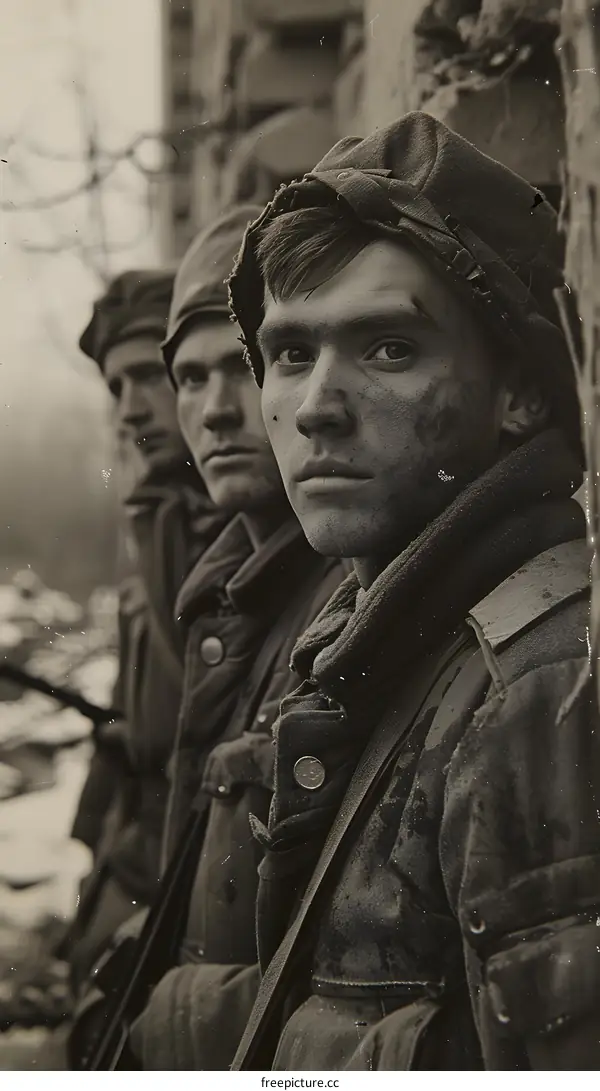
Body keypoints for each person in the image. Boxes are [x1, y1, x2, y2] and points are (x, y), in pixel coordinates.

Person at [226, 112, 598, 1071]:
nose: (314, 407)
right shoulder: (389, 643)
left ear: (518, 391)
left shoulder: (542, 687)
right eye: (291, 353)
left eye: (387, 347)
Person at [93, 206, 342, 1072]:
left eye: (244, 365)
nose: (215, 410)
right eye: (188, 378)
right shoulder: (234, 584)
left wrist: (172, 1020)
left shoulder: (347, 592)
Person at [69, 269, 223, 985]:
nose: (130, 410)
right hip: (140, 847)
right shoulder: (159, 517)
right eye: (116, 389)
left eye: (148, 377)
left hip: (194, 874)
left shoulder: (244, 524)